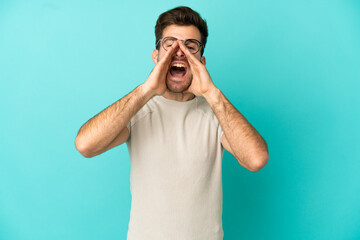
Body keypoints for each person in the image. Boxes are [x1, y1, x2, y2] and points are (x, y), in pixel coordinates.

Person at [75, 6, 269, 240]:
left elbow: (256, 159)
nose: (180, 52)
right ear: (156, 55)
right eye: (170, 44)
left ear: (201, 61)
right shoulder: (137, 112)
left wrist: (211, 92)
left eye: (190, 46)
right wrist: (146, 90)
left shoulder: (217, 114)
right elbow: (85, 145)